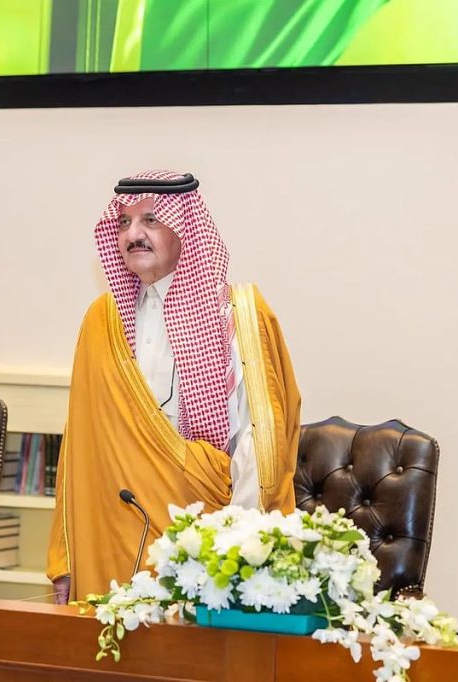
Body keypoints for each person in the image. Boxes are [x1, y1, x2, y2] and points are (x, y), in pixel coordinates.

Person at [46, 171, 300, 604]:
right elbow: (79, 445)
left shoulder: (234, 313)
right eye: (124, 223)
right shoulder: (102, 319)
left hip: (203, 533)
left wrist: (239, 544)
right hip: (109, 532)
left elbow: (259, 439)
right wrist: (65, 557)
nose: (133, 234)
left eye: (150, 220)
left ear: (186, 229)